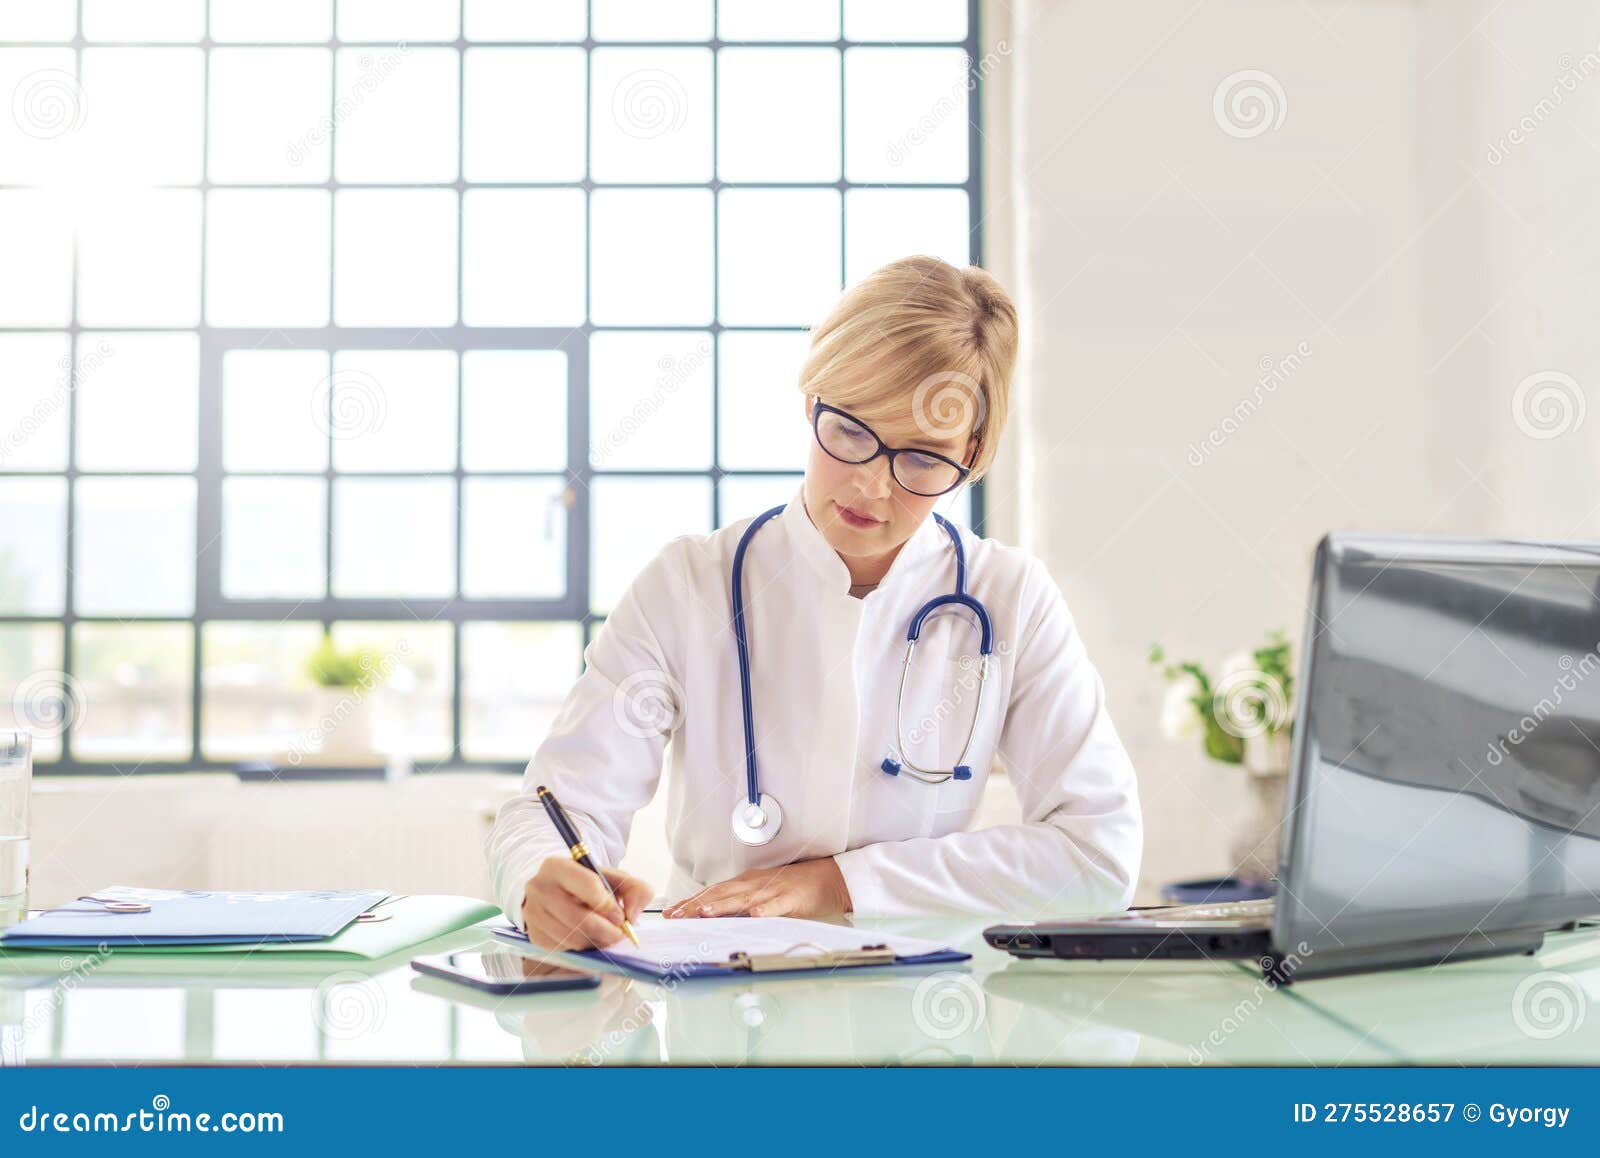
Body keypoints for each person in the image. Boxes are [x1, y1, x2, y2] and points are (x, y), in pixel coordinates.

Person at [486, 256, 1142, 951]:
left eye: (921, 458)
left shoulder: (1009, 599)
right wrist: (539, 882)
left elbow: (1098, 857)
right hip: (718, 1004)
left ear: (973, 452)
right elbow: (554, 809)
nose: (872, 488)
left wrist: (841, 883)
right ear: (813, 398)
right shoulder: (689, 583)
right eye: (852, 433)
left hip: (918, 1018)